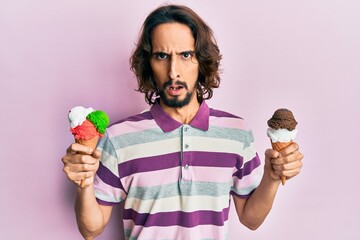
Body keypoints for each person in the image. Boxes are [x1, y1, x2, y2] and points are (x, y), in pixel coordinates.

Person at [62, 4, 303, 240]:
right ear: (149, 64)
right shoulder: (118, 138)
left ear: (202, 61)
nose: (173, 71)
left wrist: (271, 178)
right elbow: (90, 230)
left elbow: (251, 220)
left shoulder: (236, 134)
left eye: (186, 55)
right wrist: (83, 184)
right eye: (162, 56)